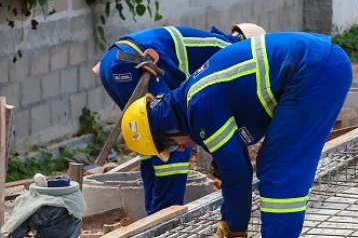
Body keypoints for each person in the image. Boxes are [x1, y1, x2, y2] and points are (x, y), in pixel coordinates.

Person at [120, 32, 353, 238]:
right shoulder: (190, 101)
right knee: (275, 163)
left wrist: (236, 233)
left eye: (171, 144)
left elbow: (237, 174)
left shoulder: (199, 107)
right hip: (317, 66)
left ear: (165, 127)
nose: (180, 148)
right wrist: (227, 224)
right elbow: (233, 164)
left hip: (315, 70)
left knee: (280, 167)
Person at [93, 23, 265, 215]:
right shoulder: (232, 51)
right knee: (173, 134)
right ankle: (165, 219)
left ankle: (153, 217)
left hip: (114, 63)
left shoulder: (207, 43)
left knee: (150, 138)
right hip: (136, 63)